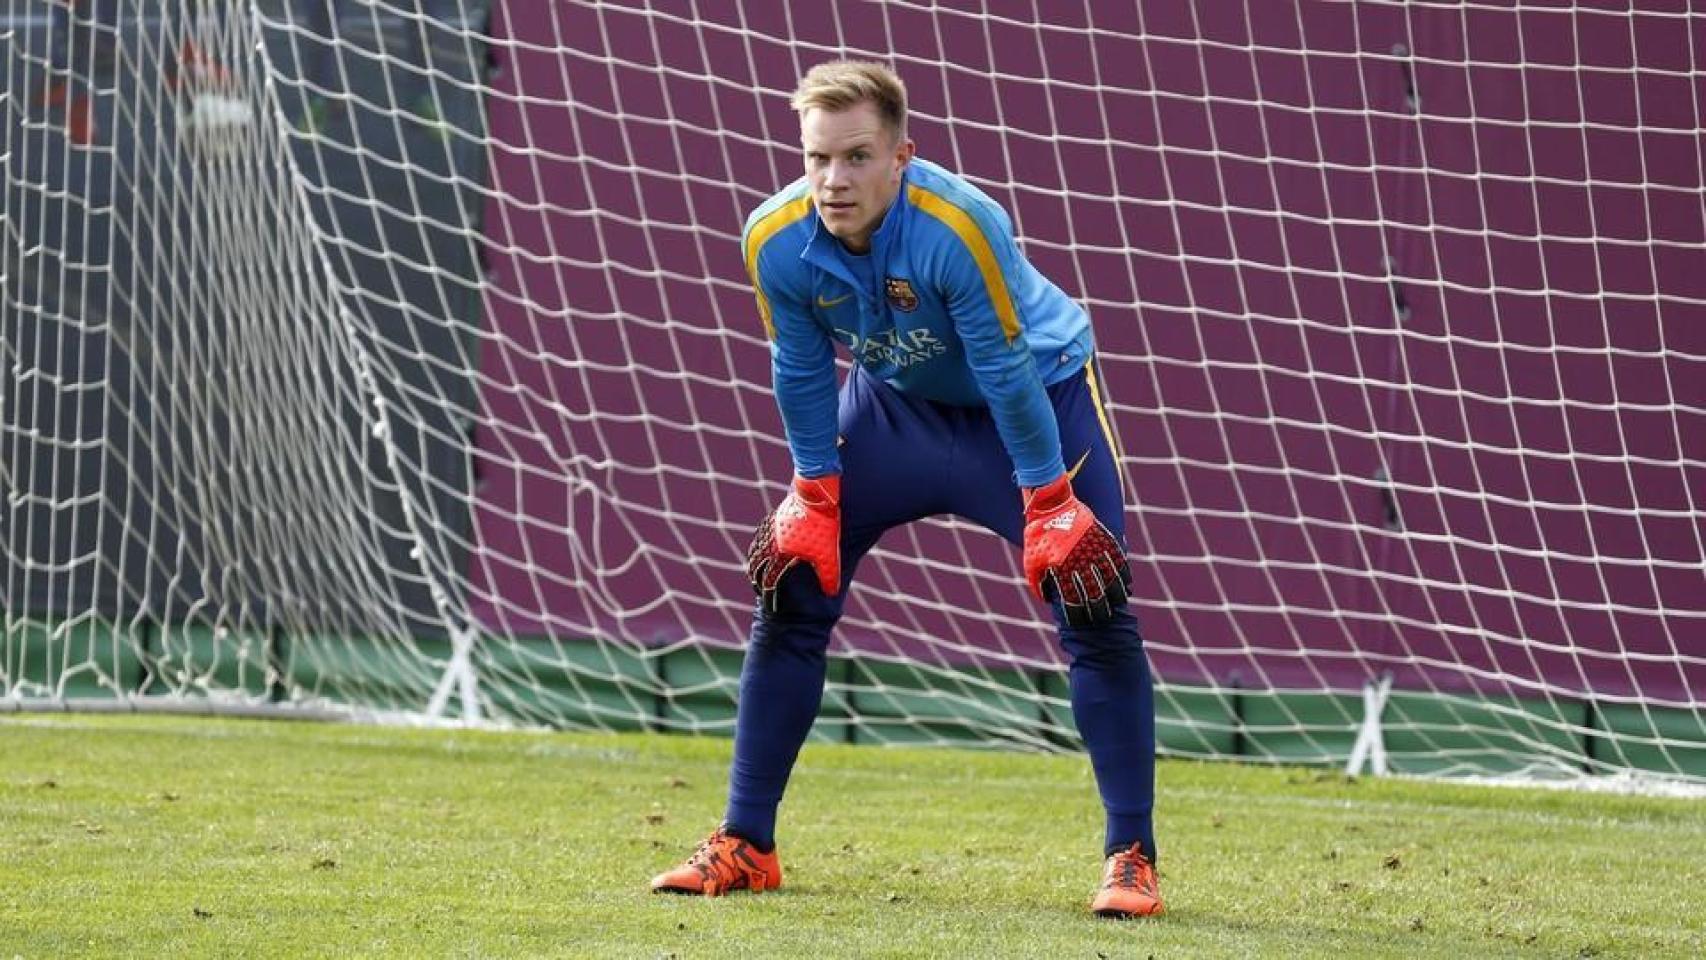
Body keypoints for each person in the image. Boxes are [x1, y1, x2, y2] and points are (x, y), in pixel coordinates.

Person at [650, 60, 1162, 919]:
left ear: (901, 156)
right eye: (817, 158)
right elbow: (800, 366)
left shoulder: (957, 225)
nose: (832, 180)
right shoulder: (774, 238)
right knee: (790, 587)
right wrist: (813, 490)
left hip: (1035, 406)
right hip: (894, 412)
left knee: (1095, 605)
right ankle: (746, 843)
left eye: (855, 158)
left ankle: (1131, 856)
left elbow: (1003, 368)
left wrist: (1046, 502)